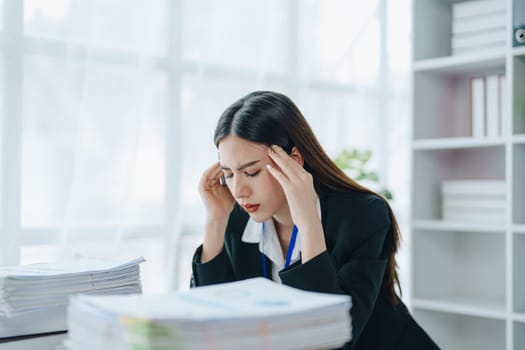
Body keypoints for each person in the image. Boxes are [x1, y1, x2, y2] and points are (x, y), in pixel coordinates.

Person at [191, 91, 439, 350]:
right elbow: (211, 326)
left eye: (251, 172)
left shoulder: (362, 215)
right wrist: (215, 221)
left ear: (294, 160)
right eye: (228, 174)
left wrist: (308, 223)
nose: (239, 190)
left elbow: (334, 341)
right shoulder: (238, 217)